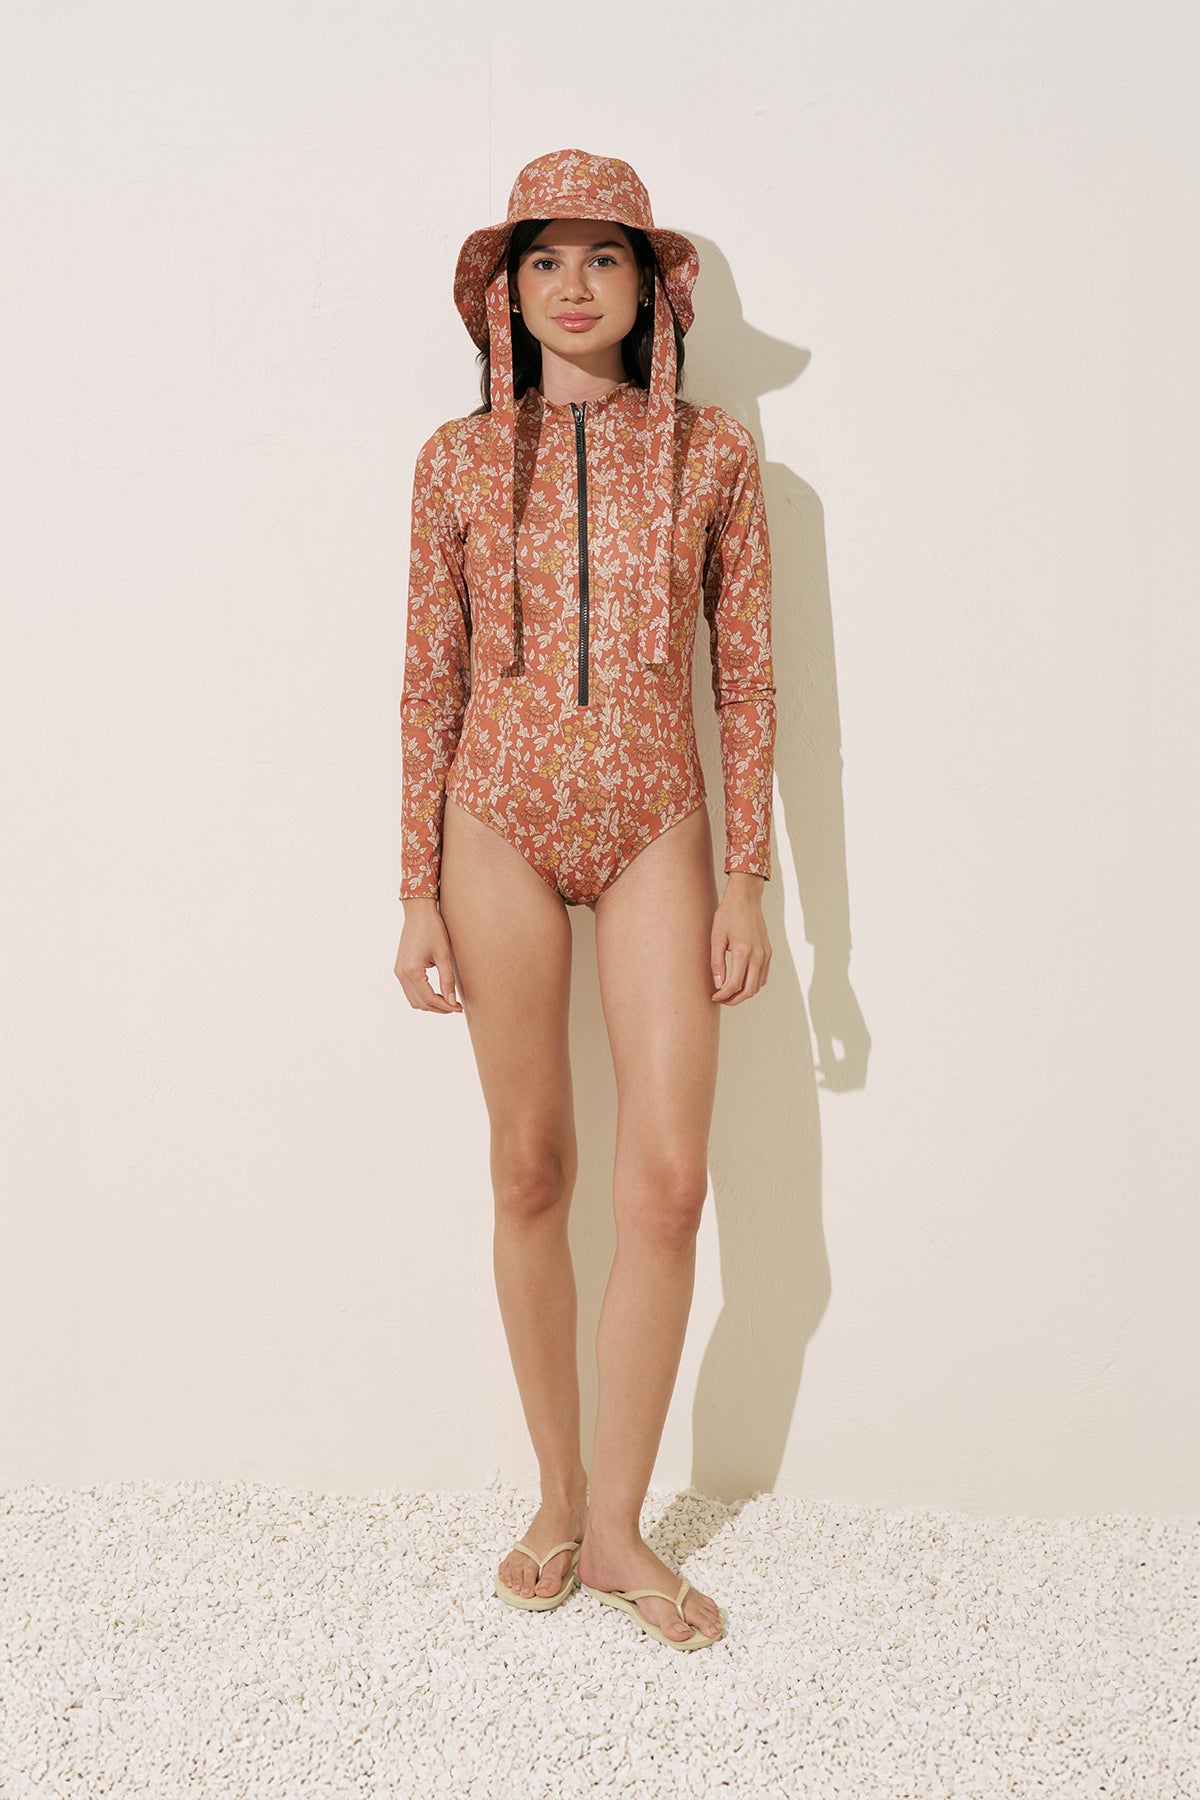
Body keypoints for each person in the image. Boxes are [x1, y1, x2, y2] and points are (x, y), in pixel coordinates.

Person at [394, 148, 776, 1651]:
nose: (572, 284)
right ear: (504, 290)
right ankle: (556, 1495)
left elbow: (745, 678)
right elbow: (426, 680)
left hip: (656, 821)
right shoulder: (453, 460)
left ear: (647, 285)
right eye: (543, 259)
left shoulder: (713, 454)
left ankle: (622, 1528)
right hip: (493, 818)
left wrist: (746, 874)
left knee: (667, 1183)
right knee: (533, 1167)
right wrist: (414, 888)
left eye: (602, 257)